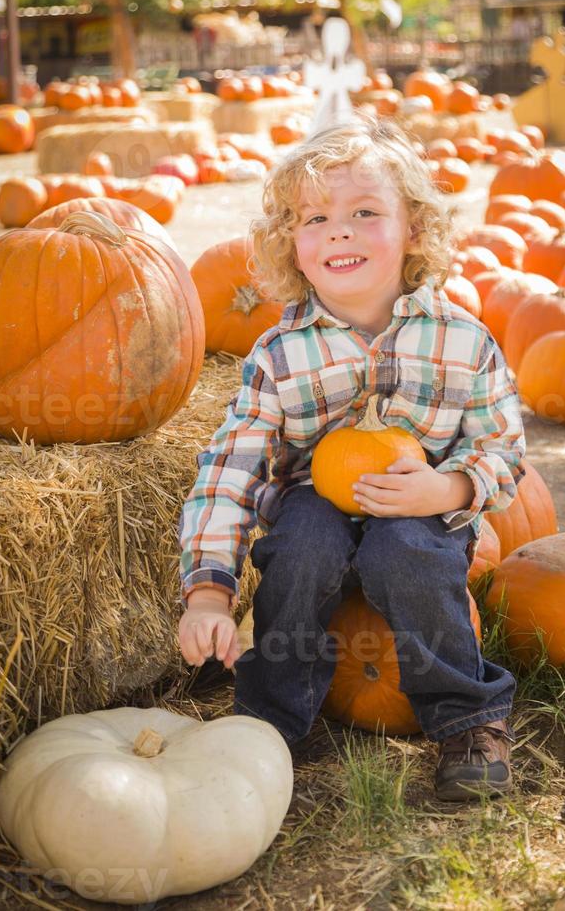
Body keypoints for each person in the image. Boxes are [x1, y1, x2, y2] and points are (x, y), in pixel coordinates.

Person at [178, 118, 526, 802]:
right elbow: (231, 470)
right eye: (316, 218)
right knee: (300, 544)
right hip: (316, 497)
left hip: (418, 496)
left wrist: (450, 487)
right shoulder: (278, 355)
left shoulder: (464, 339)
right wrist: (209, 592)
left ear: (415, 231)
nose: (338, 229)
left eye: (364, 212)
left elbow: (504, 448)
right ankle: (270, 722)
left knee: (410, 552)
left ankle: (466, 720)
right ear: (294, 250)